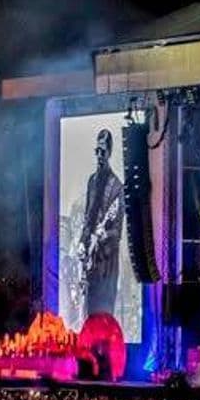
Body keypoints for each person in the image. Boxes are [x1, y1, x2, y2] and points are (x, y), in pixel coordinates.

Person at [79, 129, 124, 318]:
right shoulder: (92, 181)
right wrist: (83, 241)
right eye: (96, 151)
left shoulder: (117, 187)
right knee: (89, 312)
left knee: (104, 315)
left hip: (107, 263)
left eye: (102, 151)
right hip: (91, 262)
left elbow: (117, 232)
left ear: (109, 153)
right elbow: (88, 217)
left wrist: (103, 235)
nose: (99, 155)